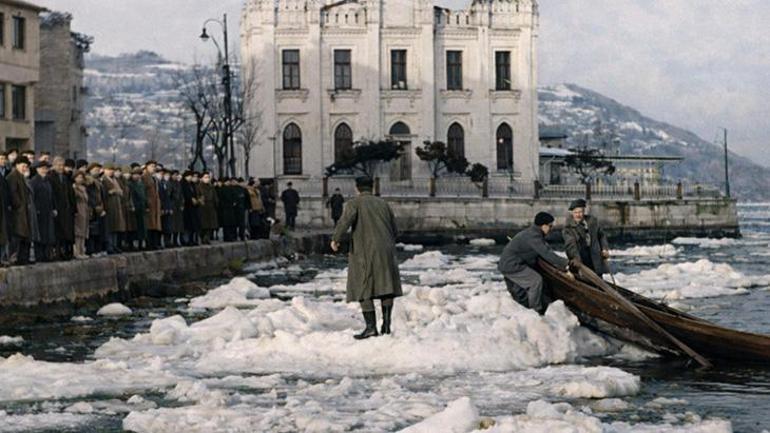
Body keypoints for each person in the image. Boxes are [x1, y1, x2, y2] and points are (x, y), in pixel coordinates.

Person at [331, 177, 402, 340]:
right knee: (386, 285)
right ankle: (386, 325)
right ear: (372, 187)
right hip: (387, 249)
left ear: (357, 188)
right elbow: (395, 230)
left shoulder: (354, 203)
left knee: (363, 284)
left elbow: (344, 222)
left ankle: (371, 328)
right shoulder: (384, 204)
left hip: (365, 249)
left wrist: (335, 239)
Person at [498, 212, 573, 315]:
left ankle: (524, 308)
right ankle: (535, 311)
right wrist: (566, 263)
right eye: (550, 226)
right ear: (543, 225)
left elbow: (545, 250)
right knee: (536, 281)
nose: (551, 229)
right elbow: (547, 253)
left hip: (510, 263)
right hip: (512, 266)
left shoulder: (533, 233)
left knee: (520, 292)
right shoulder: (534, 236)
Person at [562, 199, 610, 275]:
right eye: (575, 212)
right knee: (585, 278)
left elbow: (601, 235)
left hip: (595, 257)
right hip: (581, 259)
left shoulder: (592, 221)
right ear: (572, 213)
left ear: (584, 211)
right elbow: (571, 246)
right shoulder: (568, 228)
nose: (578, 215)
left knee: (598, 278)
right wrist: (577, 261)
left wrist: (604, 249)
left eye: (580, 212)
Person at [7, 157, 33, 265]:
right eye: (23, 166)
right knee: (17, 235)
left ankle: (23, 258)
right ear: (17, 165)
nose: (24, 168)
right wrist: (19, 205)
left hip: (23, 210)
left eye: (26, 166)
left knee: (25, 235)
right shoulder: (12, 177)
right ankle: (14, 258)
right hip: (17, 212)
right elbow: (13, 193)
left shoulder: (21, 177)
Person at [30, 161, 57, 262]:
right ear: (37, 169)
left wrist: (54, 208)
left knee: (48, 233)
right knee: (40, 234)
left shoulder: (48, 180)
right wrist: (36, 210)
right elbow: (33, 197)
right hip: (39, 211)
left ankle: (46, 255)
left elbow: (52, 196)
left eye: (46, 168)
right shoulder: (34, 181)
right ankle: (39, 255)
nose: (44, 170)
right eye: (42, 168)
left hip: (48, 210)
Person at [50, 157, 75, 260]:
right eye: (59, 165)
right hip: (57, 208)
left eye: (62, 165)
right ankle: (56, 252)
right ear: (54, 165)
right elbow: (52, 194)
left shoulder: (65, 178)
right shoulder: (51, 177)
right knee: (57, 232)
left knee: (66, 232)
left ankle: (64, 252)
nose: (61, 167)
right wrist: (53, 207)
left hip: (66, 209)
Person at [102, 164, 126, 254]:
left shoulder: (115, 180)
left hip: (116, 205)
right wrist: (111, 192)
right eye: (109, 169)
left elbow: (121, 191)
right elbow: (104, 193)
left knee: (116, 227)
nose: (111, 171)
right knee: (110, 227)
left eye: (112, 170)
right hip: (109, 206)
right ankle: (109, 246)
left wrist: (118, 191)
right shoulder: (104, 180)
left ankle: (114, 245)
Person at [142, 161, 162, 249]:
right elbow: (144, 191)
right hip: (149, 203)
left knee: (155, 224)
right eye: (151, 166)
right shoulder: (145, 177)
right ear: (147, 167)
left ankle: (154, 243)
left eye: (154, 166)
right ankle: (149, 244)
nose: (153, 168)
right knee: (149, 224)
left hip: (155, 203)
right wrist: (146, 203)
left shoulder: (154, 178)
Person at [197, 172, 218, 245]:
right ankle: (202, 237)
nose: (207, 179)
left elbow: (215, 196)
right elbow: (198, 196)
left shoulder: (211, 187)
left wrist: (216, 203)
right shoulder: (199, 187)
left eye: (208, 177)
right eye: (205, 177)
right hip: (202, 207)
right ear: (202, 178)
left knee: (210, 224)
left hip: (211, 206)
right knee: (203, 224)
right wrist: (200, 201)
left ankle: (207, 238)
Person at [129, 167, 147, 250]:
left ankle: (141, 243)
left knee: (142, 226)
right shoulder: (130, 184)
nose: (136, 176)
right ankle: (133, 244)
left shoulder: (141, 184)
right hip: (135, 207)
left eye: (138, 174)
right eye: (134, 174)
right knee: (135, 227)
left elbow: (144, 196)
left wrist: (146, 206)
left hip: (141, 207)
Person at [72, 172, 90, 259]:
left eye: (81, 177)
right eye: (78, 177)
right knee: (78, 231)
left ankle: (82, 250)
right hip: (78, 209)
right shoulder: (74, 187)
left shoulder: (84, 188)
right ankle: (77, 251)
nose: (80, 179)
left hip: (85, 209)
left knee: (84, 231)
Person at [181, 171, 200, 246]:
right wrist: (190, 199)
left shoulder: (192, 184)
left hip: (193, 207)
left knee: (193, 225)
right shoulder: (183, 184)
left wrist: (196, 199)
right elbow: (184, 194)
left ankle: (192, 239)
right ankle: (186, 240)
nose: (191, 178)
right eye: (190, 176)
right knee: (187, 225)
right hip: (187, 207)